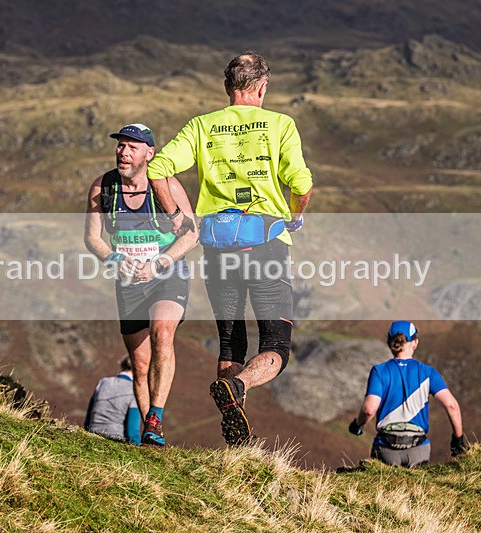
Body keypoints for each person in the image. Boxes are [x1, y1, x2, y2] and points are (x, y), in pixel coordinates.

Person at [146, 51, 313, 445]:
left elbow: (157, 169)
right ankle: (238, 388)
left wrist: (178, 217)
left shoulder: (202, 126)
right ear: (262, 87)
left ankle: (233, 436)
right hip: (266, 248)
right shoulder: (280, 125)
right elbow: (302, 186)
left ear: (226, 87)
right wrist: (293, 215)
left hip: (218, 251)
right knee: (275, 346)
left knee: (231, 341)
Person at [84, 123, 197, 447]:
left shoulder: (167, 186)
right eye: (121, 145)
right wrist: (115, 259)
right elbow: (92, 237)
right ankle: (149, 437)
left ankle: (155, 419)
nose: (123, 151)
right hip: (128, 280)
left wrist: (160, 262)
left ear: (149, 153)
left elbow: (191, 234)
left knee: (163, 331)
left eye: (132, 146)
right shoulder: (103, 187)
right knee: (140, 362)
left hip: (166, 273)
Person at [349, 321, 469, 467]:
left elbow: (369, 410)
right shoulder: (428, 372)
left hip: (386, 449)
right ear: (415, 343)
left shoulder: (379, 371)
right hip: (419, 449)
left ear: (389, 342)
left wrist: (357, 425)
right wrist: (458, 440)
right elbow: (451, 405)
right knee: (416, 488)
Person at [84, 356, 142, 445]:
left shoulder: (103, 382)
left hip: (92, 434)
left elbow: (88, 417)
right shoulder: (134, 390)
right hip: (116, 439)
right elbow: (132, 432)